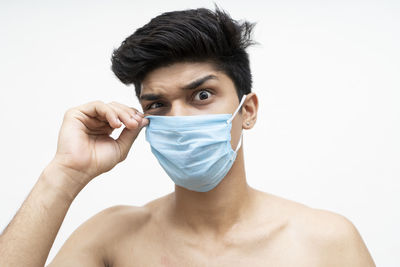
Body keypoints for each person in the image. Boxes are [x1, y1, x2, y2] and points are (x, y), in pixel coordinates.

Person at [0, 7, 375, 267]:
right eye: (158, 104)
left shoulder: (327, 242)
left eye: (202, 95)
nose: (178, 119)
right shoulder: (110, 238)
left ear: (247, 111)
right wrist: (64, 175)